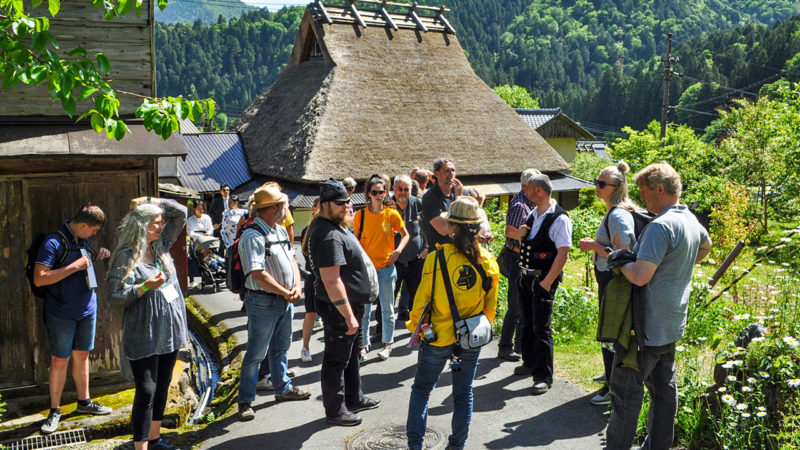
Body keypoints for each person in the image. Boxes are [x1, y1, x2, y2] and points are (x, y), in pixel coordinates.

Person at [606, 162, 711, 450]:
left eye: (645, 193)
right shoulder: (690, 219)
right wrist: (675, 268)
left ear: (660, 190)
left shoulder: (660, 226)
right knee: (664, 391)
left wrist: (621, 259)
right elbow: (706, 246)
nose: (643, 200)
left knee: (625, 394)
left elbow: (639, 277)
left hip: (643, 328)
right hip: (671, 323)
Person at [406, 196, 499, 450]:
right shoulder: (488, 263)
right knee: (462, 393)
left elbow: (420, 305)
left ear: (452, 227)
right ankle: (457, 445)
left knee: (422, 390)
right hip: (468, 340)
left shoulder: (436, 260)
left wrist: (416, 328)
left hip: (438, 337)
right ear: (477, 227)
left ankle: (415, 445)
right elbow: (489, 309)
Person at [107, 196, 188, 450]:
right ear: (141, 226)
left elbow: (182, 212)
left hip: (170, 331)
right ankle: (140, 447)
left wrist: (152, 199)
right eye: (155, 223)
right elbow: (114, 297)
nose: (161, 227)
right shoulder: (125, 256)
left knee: (162, 387)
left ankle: (154, 439)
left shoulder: (161, 245)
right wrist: (144, 287)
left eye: (161, 222)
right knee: (146, 390)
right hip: (144, 332)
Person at [33, 205, 112, 435]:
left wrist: (97, 255)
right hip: (61, 313)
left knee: (82, 355)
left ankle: (84, 402)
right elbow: (40, 278)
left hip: (87, 308)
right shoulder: (53, 243)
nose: (95, 234)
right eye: (94, 230)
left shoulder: (81, 239)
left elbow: (83, 266)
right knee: (60, 360)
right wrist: (74, 266)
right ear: (84, 225)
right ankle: (55, 410)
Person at [308, 178, 381, 427]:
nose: (347, 206)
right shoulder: (327, 234)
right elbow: (332, 280)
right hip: (339, 308)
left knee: (351, 357)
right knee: (336, 360)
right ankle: (335, 410)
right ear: (326, 205)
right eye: (341, 203)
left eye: (348, 202)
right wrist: (349, 315)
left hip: (350, 306)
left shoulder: (335, 227)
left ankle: (354, 398)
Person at [235, 183, 311, 421]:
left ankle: (283, 388)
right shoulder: (251, 236)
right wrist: (285, 292)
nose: (285, 209)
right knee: (257, 353)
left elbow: (292, 260)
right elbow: (256, 273)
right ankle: (245, 401)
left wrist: (297, 287)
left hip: (284, 299)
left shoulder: (278, 231)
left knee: (282, 347)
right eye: (282, 205)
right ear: (272, 208)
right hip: (263, 301)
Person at [578, 161, 638, 406]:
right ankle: (610, 374)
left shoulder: (619, 214)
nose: (597, 187)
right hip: (609, 277)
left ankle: (612, 388)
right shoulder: (615, 211)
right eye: (597, 182)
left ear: (616, 187)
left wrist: (593, 246)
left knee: (609, 332)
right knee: (608, 330)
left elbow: (623, 250)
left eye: (602, 184)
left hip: (613, 279)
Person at [514, 174, 572, 395]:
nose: (525, 192)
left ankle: (543, 376)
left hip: (543, 279)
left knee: (542, 328)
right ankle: (529, 362)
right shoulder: (533, 213)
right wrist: (522, 236)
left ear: (538, 191)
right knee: (527, 322)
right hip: (527, 277)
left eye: (528, 188)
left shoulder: (559, 218)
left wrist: (547, 282)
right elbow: (529, 246)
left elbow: (563, 254)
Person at [354, 175, 409, 360]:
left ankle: (388, 343)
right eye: (375, 192)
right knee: (365, 311)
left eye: (382, 192)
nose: (379, 195)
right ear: (368, 194)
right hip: (367, 270)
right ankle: (363, 344)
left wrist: (398, 251)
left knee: (387, 308)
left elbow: (405, 234)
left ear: (386, 193)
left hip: (386, 267)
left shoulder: (391, 214)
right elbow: (354, 240)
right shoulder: (360, 215)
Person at [497, 169, 539, 362]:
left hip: (523, 258)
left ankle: (520, 346)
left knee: (523, 304)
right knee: (515, 305)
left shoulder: (529, 203)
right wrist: (531, 237)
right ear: (525, 186)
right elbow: (509, 231)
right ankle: (505, 346)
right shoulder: (520, 204)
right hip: (515, 258)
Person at [392, 174, 427, 322]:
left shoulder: (419, 204)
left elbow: (429, 228)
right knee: (388, 298)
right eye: (399, 189)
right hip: (394, 260)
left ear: (411, 189)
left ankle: (417, 330)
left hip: (416, 259)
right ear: (394, 189)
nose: (402, 192)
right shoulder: (387, 205)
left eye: (406, 189)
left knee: (417, 298)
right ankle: (382, 332)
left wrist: (427, 247)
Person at [421, 158, 463, 253]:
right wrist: (459, 199)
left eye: (453, 170)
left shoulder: (463, 192)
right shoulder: (430, 197)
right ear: (436, 174)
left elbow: (473, 219)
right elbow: (444, 229)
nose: (451, 174)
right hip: (441, 252)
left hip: (461, 249)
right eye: (447, 171)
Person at [300, 197, 321, 362]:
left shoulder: (334, 228)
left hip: (330, 278)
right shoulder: (306, 230)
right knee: (311, 313)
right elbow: (306, 256)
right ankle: (305, 347)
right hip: (313, 276)